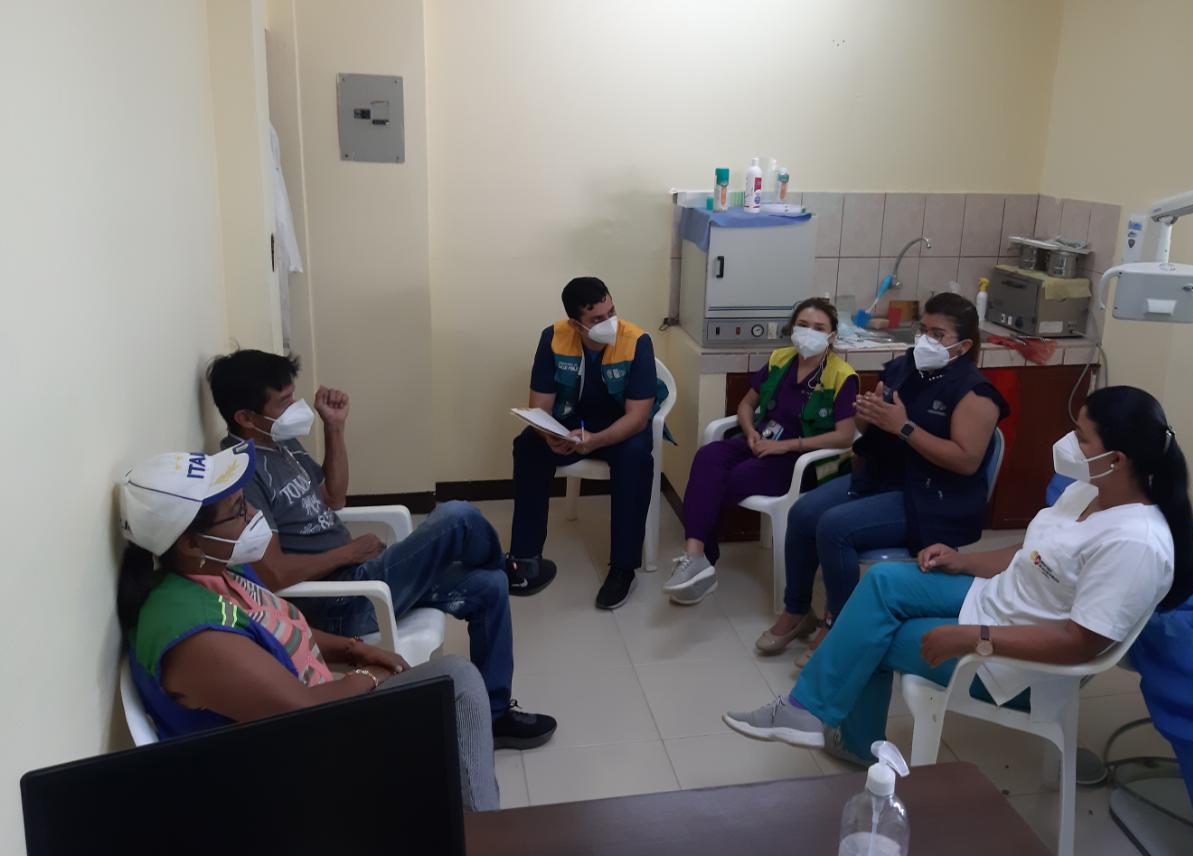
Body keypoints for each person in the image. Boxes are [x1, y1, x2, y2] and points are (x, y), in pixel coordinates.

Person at [724, 386, 1193, 763]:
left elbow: (1081, 643)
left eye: (1081, 437)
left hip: (1018, 669)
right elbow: (1035, 554)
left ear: (1117, 459)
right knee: (882, 583)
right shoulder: (1090, 490)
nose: (1068, 443)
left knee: (873, 638)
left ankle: (845, 736)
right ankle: (811, 713)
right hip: (997, 603)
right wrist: (963, 560)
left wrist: (975, 640)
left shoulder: (1135, 543)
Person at [117, 443, 500, 810]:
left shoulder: (212, 569)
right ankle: (481, 832)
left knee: (450, 702)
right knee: (457, 685)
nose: (254, 514)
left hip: (312, 716)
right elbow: (302, 712)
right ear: (190, 544)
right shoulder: (196, 638)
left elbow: (278, 624)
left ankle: (468, 822)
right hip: (292, 765)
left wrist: (353, 649)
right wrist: (370, 675)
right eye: (238, 510)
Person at [205, 349, 556, 750]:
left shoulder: (281, 443)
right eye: (283, 402)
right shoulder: (241, 474)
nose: (295, 407)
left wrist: (335, 428)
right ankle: (509, 565)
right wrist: (348, 553)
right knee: (457, 516)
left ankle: (493, 717)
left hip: (360, 574)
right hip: (339, 602)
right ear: (246, 417)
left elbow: (334, 497)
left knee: (489, 586)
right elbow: (274, 574)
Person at [756, 293, 1009, 666]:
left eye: (937, 334)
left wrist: (903, 427)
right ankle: (797, 611)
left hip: (931, 497)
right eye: (923, 329)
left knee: (835, 527)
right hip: (882, 476)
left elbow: (966, 461)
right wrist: (868, 414)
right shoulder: (906, 367)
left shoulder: (976, 393)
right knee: (804, 512)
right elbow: (868, 427)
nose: (925, 340)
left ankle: (841, 626)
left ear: (964, 345)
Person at [663, 297, 858, 606]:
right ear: (792, 328)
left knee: (728, 480)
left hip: (799, 459)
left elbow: (845, 436)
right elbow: (746, 404)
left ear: (832, 336)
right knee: (708, 457)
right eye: (803, 325)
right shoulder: (781, 359)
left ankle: (702, 560)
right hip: (759, 440)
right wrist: (750, 430)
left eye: (819, 328)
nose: (809, 332)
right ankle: (696, 556)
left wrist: (786, 445)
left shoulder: (841, 376)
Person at [508, 276, 669, 610]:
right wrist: (550, 435)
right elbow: (540, 406)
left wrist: (595, 441)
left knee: (636, 458)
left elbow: (638, 417)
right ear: (575, 323)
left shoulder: (637, 341)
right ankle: (524, 559)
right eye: (596, 319)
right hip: (572, 424)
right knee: (528, 446)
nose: (609, 323)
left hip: (621, 426)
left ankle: (623, 569)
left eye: (611, 312)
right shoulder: (554, 337)